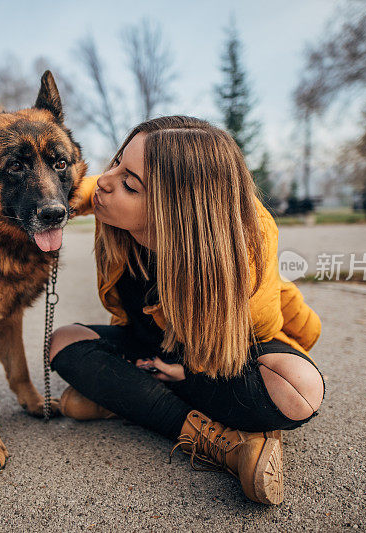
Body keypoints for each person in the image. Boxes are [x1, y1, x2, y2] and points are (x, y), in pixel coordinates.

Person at [49, 116, 324, 505]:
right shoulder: (110, 203)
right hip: (150, 347)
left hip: (223, 357)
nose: (107, 181)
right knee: (64, 343)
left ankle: (132, 399)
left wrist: (184, 373)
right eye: (115, 163)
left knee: (299, 389)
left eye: (130, 184)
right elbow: (69, 189)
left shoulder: (246, 245)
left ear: (179, 208)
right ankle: (226, 444)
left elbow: (255, 335)